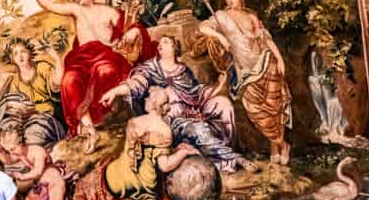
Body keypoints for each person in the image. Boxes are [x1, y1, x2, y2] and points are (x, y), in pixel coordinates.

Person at [20, 0, 155, 153]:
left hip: (105, 55)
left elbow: (131, 28)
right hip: (81, 59)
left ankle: (104, 120)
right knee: (69, 80)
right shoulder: (76, 10)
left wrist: (133, 32)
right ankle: (89, 128)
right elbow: (48, 5)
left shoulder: (109, 12)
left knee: (105, 71)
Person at [64, 88, 199, 200]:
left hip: (122, 179)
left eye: (149, 97)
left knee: (84, 184)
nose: (146, 98)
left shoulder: (136, 122)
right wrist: (182, 152)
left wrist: (181, 153)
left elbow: (155, 164)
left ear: (154, 105)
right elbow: (164, 165)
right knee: (101, 169)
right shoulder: (164, 130)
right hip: (142, 183)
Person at [101, 34, 256, 172]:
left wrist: (213, 92)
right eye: (160, 42)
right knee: (198, 128)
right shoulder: (151, 68)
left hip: (191, 111)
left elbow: (195, 93)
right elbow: (137, 82)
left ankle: (226, 149)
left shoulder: (184, 71)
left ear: (175, 48)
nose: (160, 45)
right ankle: (233, 158)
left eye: (166, 42)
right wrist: (115, 91)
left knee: (223, 104)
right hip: (168, 119)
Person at [198, 0, 292, 164]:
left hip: (265, 62)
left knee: (274, 106)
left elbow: (265, 40)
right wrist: (220, 37)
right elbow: (203, 27)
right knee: (255, 109)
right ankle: (282, 143)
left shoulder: (251, 16)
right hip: (245, 71)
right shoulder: (221, 17)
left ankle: (274, 147)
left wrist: (279, 58)